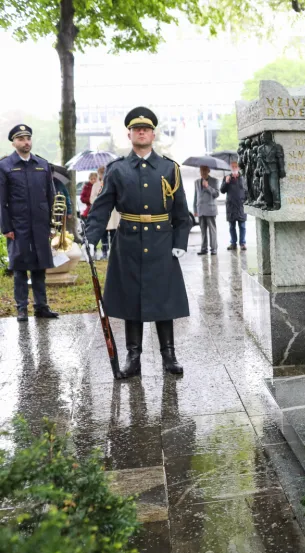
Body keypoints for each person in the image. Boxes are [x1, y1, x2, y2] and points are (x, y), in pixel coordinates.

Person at [85, 107, 192, 378]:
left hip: (162, 243)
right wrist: (90, 237)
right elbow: (102, 207)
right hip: (129, 242)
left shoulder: (170, 168)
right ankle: (134, 358)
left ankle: (169, 355)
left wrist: (180, 241)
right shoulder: (117, 169)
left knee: (163, 299)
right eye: (136, 129)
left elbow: (181, 212)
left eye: (146, 129)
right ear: (129, 134)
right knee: (132, 301)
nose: (141, 132)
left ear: (153, 134)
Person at [0, 124, 59, 321]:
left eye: (28, 138)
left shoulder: (42, 164)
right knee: (19, 268)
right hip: (18, 226)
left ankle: (41, 306)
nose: (26, 142)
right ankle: (22, 308)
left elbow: (51, 197)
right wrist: (6, 227)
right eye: (21, 139)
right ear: (14, 142)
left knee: (40, 266)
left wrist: (53, 225)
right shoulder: (5, 166)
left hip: (41, 224)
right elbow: (1, 201)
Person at [89, 165, 120, 259]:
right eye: (101, 173)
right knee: (104, 233)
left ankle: (114, 252)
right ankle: (104, 251)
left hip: (113, 212)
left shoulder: (114, 183)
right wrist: (98, 199)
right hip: (103, 212)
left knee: (114, 232)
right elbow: (92, 198)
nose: (103, 175)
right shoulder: (96, 185)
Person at [193, 165, 220, 255]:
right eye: (201, 170)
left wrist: (208, 187)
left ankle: (213, 249)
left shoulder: (214, 181)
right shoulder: (196, 182)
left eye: (204, 170)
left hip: (210, 210)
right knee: (203, 231)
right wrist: (195, 210)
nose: (203, 172)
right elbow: (195, 197)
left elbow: (216, 194)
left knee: (212, 230)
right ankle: (204, 249)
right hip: (200, 209)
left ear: (208, 170)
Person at [220, 160, 247, 251]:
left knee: (242, 226)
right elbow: (222, 190)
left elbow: (246, 191)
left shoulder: (243, 178)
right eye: (233, 167)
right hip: (231, 206)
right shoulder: (227, 177)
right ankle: (233, 243)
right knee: (232, 226)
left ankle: (242, 243)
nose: (234, 168)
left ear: (238, 168)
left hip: (241, 205)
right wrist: (226, 182)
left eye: (236, 166)